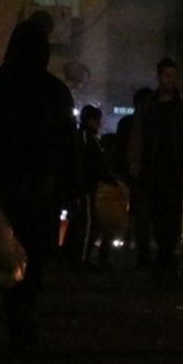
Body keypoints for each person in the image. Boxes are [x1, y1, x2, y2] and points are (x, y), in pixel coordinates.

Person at [0, 19, 76, 348]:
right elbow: (67, 143)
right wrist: (69, 186)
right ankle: (26, 315)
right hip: (40, 185)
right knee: (35, 253)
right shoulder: (54, 90)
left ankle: (15, 315)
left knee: (8, 252)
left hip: (4, 184)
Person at [128, 58, 183, 285]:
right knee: (158, 214)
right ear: (159, 77)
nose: (169, 80)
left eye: (173, 76)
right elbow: (138, 133)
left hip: (175, 167)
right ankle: (164, 257)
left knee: (171, 214)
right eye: (166, 76)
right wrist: (135, 161)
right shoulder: (149, 105)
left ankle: (166, 257)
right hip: (154, 167)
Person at [72, 105, 116, 270]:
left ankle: (79, 258)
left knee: (84, 222)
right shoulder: (86, 139)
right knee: (89, 223)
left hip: (85, 184)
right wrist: (108, 178)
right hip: (85, 185)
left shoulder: (85, 137)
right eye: (98, 120)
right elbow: (94, 164)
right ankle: (82, 259)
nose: (100, 124)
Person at [114, 87, 153, 268]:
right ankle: (141, 253)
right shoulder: (151, 124)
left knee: (136, 215)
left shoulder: (125, 123)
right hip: (143, 177)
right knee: (142, 216)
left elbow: (120, 150)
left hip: (131, 177)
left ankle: (128, 246)